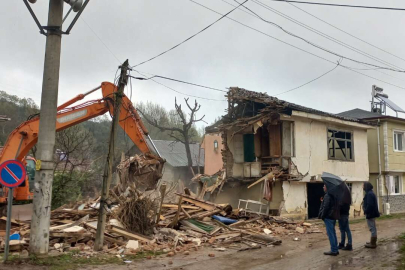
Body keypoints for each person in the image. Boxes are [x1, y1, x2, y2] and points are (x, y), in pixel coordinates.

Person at [319, 184, 340, 256]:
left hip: (328, 217)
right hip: (332, 217)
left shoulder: (328, 196)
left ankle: (334, 250)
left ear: (327, 187)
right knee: (333, 233)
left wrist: (322, 215)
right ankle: (335, 249)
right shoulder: (334, 195)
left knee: (331, 234)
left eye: (324, 186)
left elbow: (326, 207)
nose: (323, 187)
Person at [363, 182, 380, 248]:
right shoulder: (370, 193)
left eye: (363, 185)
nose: (362, 187)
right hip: (371, 213)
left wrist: (366, 211)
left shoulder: (369, 194)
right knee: (373, 227)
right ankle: (372, 241)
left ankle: (373, 243)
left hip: (370, 213)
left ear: (366, 186)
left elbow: (370, 205)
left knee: (372, 228)